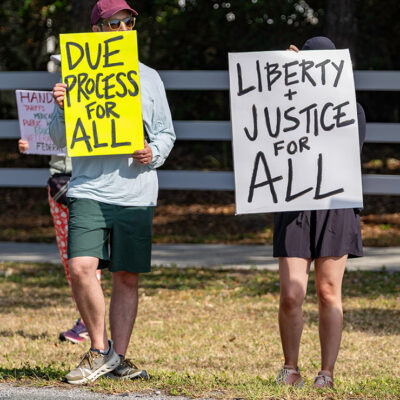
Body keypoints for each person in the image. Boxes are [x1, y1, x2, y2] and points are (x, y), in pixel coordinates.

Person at [49, 0, 175, 384]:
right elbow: (57, 140)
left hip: (136, 193)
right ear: (97, 30)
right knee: (81, 268)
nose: (122, 29)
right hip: (88, 187)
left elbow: (167, 134)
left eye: (128, 22)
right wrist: (62, 108)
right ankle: (100, 349)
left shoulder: (149, 77)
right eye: (113, 23)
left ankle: (118, 357)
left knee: (127, 276)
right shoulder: (76, 77)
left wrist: (153, 153)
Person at [273, 36, 366, 389]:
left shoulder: (350, 109)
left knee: (328, 292)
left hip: (335, 207)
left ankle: (326, 372)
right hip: (294, 205)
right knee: (291, 293)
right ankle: (289, 367)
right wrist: (285, 73)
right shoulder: (282, 106)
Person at [17, 140, 97, 344]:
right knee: (68, 256)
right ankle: (85, 319)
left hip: (89, 180)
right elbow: (43, 132)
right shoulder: (52, 108)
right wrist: (31, 143)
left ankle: (90, 323)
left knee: (87, 255)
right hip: (58, 184)